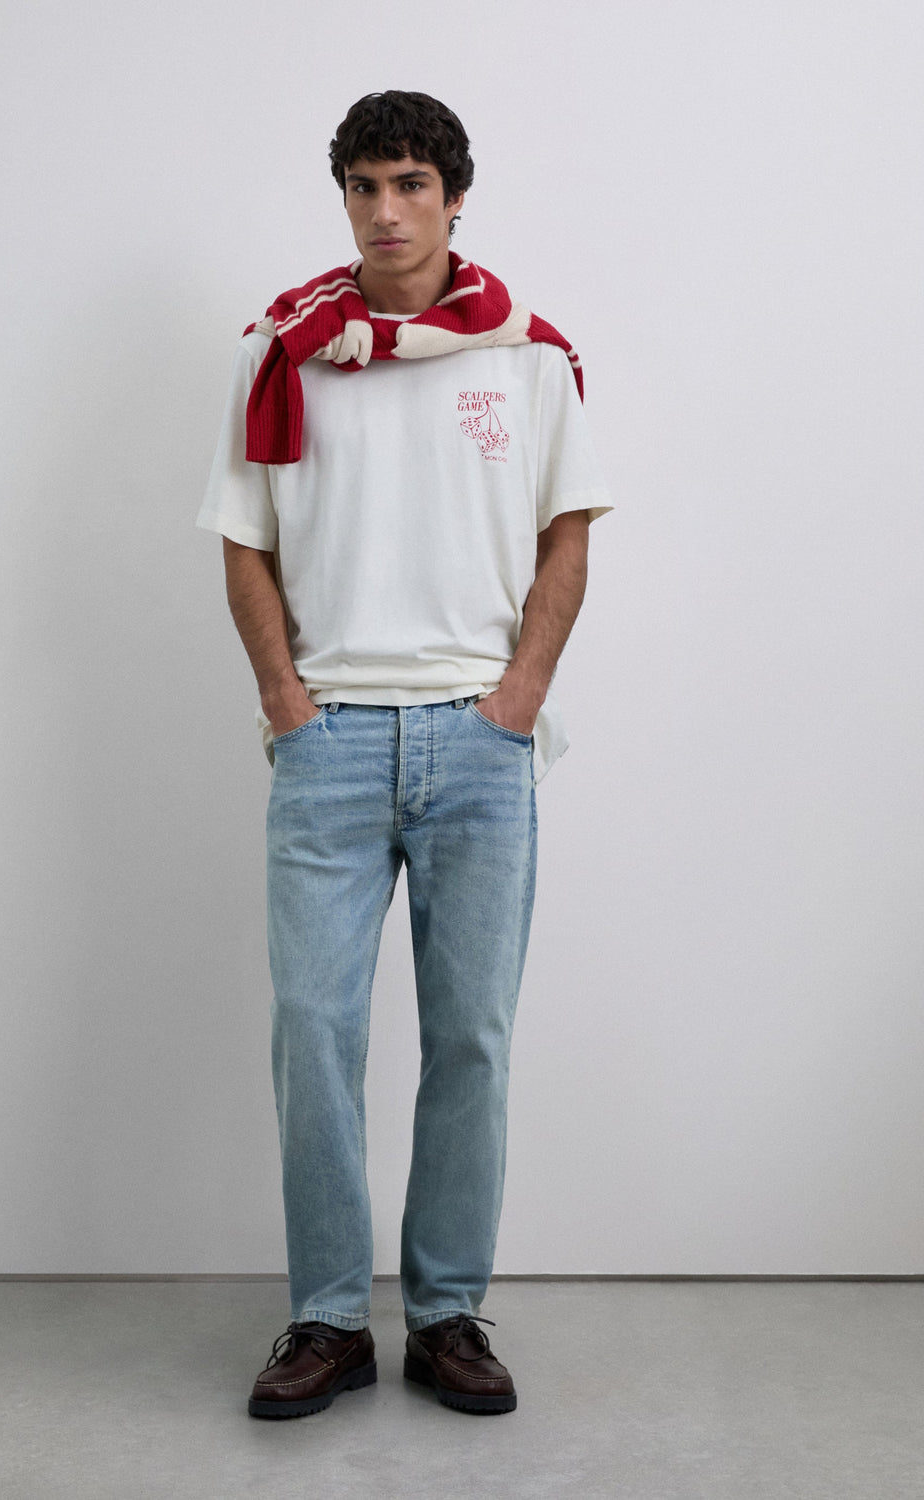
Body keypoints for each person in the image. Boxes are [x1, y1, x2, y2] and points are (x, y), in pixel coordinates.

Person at [198, 89, 612, 1420]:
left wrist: (516, 700)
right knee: (313, 1034)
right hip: (326, 740)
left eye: (411, 185)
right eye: (364, 185)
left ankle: (445, 1317)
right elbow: (244, 541)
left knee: (470, 1037)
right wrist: (286, 702)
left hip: (477, 744)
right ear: (344, 198)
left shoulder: (527, 356)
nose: (386, 211)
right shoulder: (282, 351)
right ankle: (327, 1318)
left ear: (453, 198)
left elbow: (566, 536)